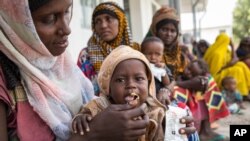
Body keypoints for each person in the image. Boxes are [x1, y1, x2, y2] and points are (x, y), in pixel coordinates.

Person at [0, 0, 151, 140]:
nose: (67, 29)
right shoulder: (6, 77)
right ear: (17, 20)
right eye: (49, 19)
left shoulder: (62, 63)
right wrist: (92, 134)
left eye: (67, 12)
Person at [72, 46, 166, 140]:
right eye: (120, 80)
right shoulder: (100, 107)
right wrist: (82, 119)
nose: (131, 85)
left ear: (149, 83)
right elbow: (85, 115)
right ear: (108, 87)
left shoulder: (155, 113)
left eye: (139, 79)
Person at [77, 2, 140, 95]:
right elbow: (80, 90)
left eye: (108, 19)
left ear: (121, 22)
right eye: (98, 21)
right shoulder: (86, 55)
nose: (103, 25)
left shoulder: (135, 51)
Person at [174, 59, 229, 141]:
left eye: (192, 73)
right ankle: (204, 131)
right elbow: (177, 82)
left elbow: (201, 83)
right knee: (183, 91)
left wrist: (195, 82)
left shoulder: (199, 79)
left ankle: (206, 130)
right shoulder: (180, 74)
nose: (187, 72)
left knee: (208, 82)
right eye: (188, 68)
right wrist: (190, 82)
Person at [203, 33, 250, 98]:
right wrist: (229, 65)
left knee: (241, 65)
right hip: (214, 77)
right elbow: (215, 72)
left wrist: (232, 47)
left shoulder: (225, 50)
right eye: (228, 41)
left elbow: (235, 58)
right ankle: (242, 93)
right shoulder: (217, 54)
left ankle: (247, 90)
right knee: (237, 70)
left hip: (222, 72)